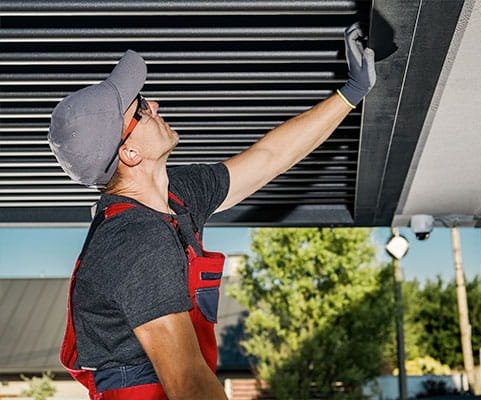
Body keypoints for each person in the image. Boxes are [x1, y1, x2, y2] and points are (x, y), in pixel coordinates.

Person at [49, 22, 375, 399]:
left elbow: (269, 158)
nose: (154, 105)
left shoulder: (176, 197)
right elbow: (188, 384)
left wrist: (350, 94)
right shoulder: (136, 242)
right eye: (139, 109)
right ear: (129, 154)